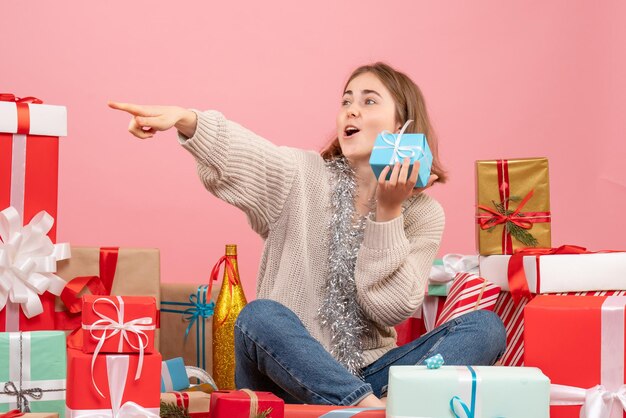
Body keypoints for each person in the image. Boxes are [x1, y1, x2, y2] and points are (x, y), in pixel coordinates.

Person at [109, 62, 506, 408]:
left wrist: (388, 211)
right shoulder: (301, 176)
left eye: (369, 101)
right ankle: (369, 410)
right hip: (283, 378)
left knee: (485, 327)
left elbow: (390, 308)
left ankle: (372, 405)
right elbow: (243, 154)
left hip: (372, 375)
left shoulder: (422, 214)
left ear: (403, 126)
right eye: (346, 100)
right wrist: (186, 119)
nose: (351, 108)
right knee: (260, 315)